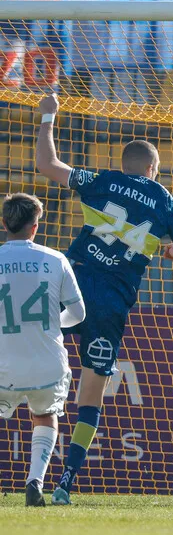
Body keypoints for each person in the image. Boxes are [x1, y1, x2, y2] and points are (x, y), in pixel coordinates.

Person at [33, 93, 173, 505]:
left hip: (69, 287)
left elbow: (47, 165)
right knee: (90, 391)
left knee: (30, 365)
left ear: (126, 164)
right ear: (153, 169)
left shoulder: (103, 181)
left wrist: (47, 117)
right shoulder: (164, 199)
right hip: (111, 303)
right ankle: (65, 483)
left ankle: (34, 466)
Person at [0, 193, 85, 506]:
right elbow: (79, 314)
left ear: (4, 223)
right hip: (46, 364)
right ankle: (35, 479)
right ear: (35, 227)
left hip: (3, 365)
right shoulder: (54, 259)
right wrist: (49, 326)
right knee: (46, 415)